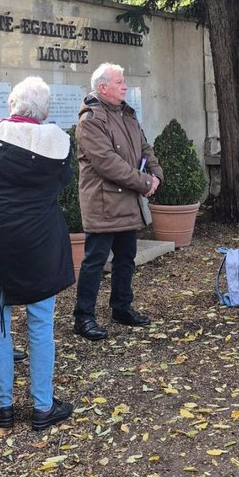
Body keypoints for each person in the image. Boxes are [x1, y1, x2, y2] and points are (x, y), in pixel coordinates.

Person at [0, 77, 75, 430]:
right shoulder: (58, 147)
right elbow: (60, 191)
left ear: (11, 106)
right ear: (45, 111)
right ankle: (42, 407)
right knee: (40, 323)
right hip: (39, 245)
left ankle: (3, 406)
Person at [73, 63, 163, 340]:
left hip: (127, 201)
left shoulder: (127, 114)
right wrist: (145, 182)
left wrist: (156, 173)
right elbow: (108, 164)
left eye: (124, 82)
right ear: (102, 87)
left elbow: (145, 147)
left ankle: (121, 307)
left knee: (126, 258)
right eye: (119, 82)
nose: (125, 86)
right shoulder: (91, 120)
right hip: (104, 203)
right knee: (95, 261)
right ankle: (83, 317)